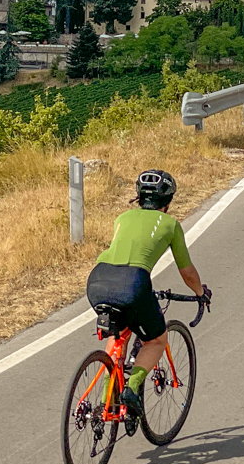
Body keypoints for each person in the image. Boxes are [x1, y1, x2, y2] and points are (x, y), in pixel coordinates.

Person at [85, 168, 210, 422]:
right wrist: (200, 292)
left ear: (138, 198)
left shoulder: (122, 218)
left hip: (98, 280)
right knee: (155, 339)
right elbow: (186, 271)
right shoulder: (171, 225)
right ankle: (131, 388)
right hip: (133, 283)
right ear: (168, 201)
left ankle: (105, 402)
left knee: (118, 335)